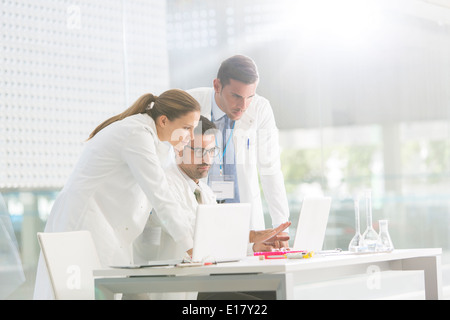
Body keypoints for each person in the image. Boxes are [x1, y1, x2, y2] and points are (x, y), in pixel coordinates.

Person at [33, 89, 201, 299]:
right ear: (164, 121)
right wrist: (192, 246)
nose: (191, 137)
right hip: (84, 223)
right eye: (187, 128)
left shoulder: (157, 142)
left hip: (109, 228)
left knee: (104, 292)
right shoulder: (136, 134)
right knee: (78, 294)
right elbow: (160, 194)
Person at [133, 115, 289, 300]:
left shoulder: (205, 191)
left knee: (273, 291)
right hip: (171, 289)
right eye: (198, 151)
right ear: (177, 148)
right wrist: (251, 235)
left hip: (203, 283)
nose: (207, 159)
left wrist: (254, 246)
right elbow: (193, 232)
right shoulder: (162, 186)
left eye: (211, 150)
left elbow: (220, 244)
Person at [187, 55, 290, 244]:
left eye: (249, 97)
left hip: (245, 217)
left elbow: (271, 170)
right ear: (217, 86)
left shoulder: (260, 108)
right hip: (198, 216)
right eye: (236, 96)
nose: (243, 106)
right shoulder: (189, 103)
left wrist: (280, 227)